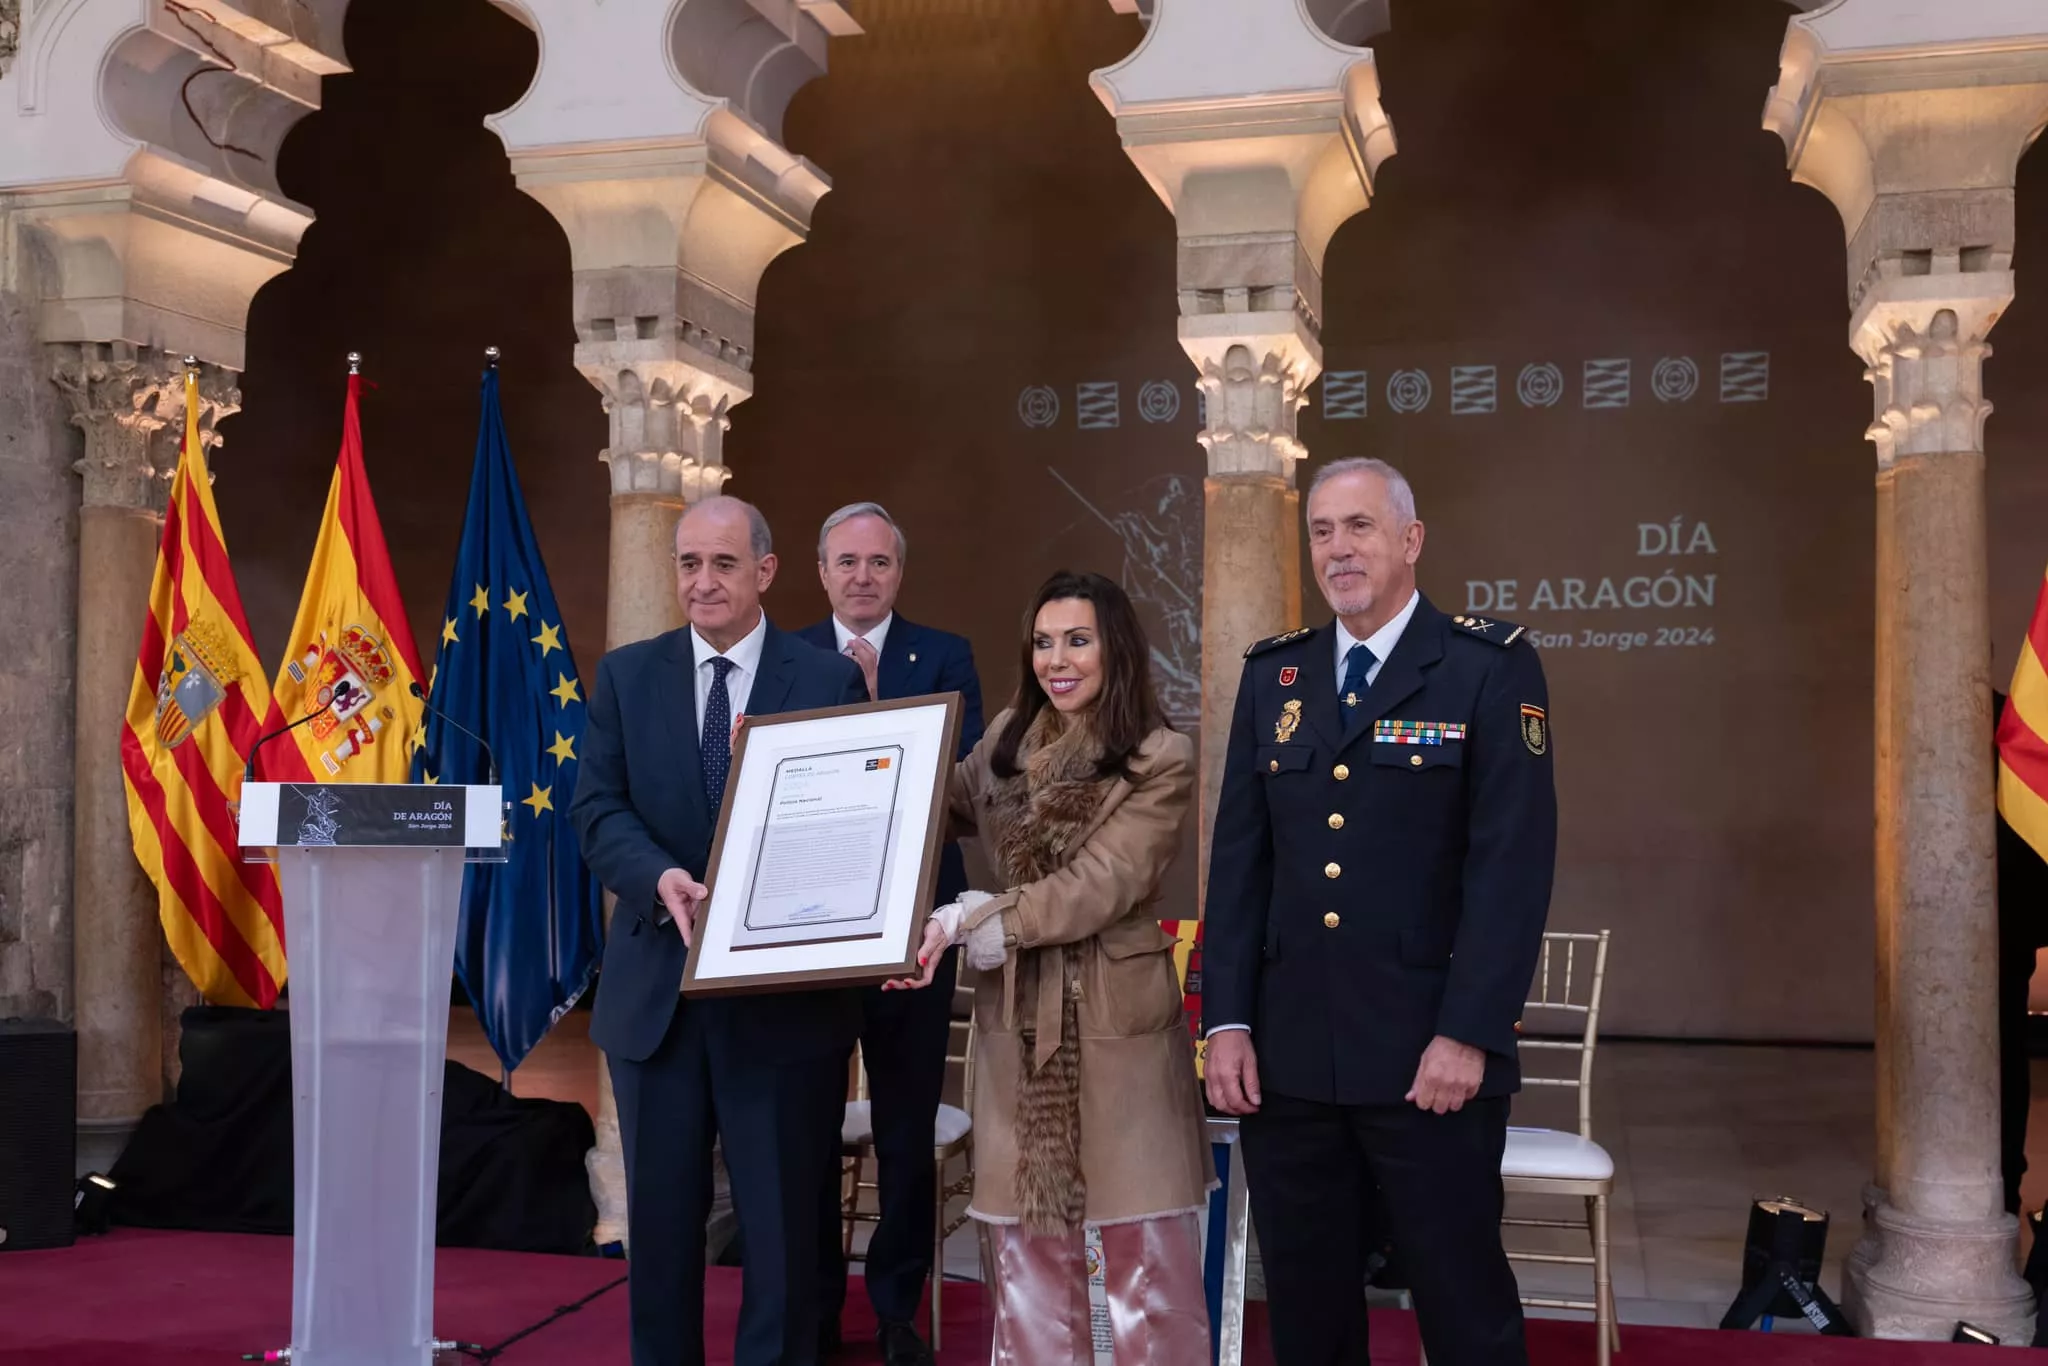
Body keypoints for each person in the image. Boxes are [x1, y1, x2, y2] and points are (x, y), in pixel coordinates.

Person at [1203, 456, 1556, 1366]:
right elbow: (1241, 867)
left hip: (1426, 1059)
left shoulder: (1487, 667)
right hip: (1290, 1060)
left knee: (1462, 1303)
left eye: (1358, 527)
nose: (1338, 550)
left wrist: (1469, 1033)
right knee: (1310, 1312)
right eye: (1321, 531)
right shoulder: (1275, 678)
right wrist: (1229, 1021)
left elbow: (1510, 870)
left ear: (1410, 540)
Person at [569, 495, 869, 1366]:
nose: (703, 582)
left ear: (766, 572)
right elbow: (597, 811)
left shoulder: (824, 680)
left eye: (724, 564)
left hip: (779, 1005)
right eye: (688, 564)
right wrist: (658, 877)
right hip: (656, 998)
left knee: (779, 1232)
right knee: (660, 1227)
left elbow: (849, 819)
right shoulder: (628, 676)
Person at [891, 570, 1214, 1365]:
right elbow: (934, 801)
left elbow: (1105, 882)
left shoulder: (1159, 757)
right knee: (1030, 1270)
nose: (1056, 660)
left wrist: (985, 916)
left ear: (1117, 650)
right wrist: (845, 765)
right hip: (1019, 1027)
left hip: (1119, 1028)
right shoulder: (1009, 740)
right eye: (1043, 642)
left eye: (1078, 640)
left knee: (1146, 1270)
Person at [797, 502, 985, 1366]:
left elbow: (965, 779)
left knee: (906, 1130)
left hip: (915, 929)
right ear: (822, 571)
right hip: (810, 932)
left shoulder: (943, 656)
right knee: (798, 1128)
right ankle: (809, 1307)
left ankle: (898, 1309)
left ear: (898, 572)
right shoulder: (789, 656)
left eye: (878, 562)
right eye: (847, 562)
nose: (863, 576)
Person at [1995, 688, 2048, 1215]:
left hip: (2001, 925)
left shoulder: (2018, 725)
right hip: (1936, 932)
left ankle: (2004, 1184)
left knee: (2001, 1054)